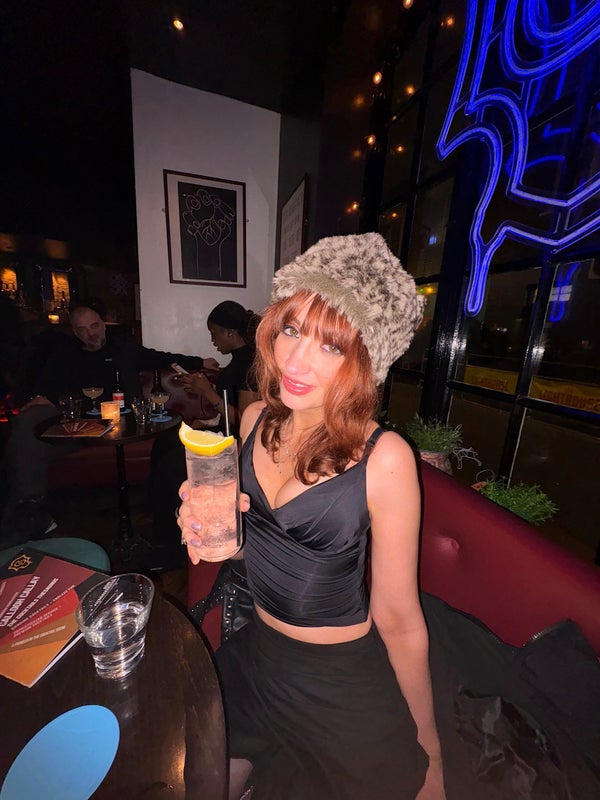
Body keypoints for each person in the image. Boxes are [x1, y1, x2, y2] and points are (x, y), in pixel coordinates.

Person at [178, 233, 446, 799]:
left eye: (331, 346)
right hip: (258, 655)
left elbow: (399, 620)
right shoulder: (253, 419)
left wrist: (431, 752)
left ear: (365, 361)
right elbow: (255, 549)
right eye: (293, 330)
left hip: (336, 680)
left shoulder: (385, 459)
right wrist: (209, 527)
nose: (295, 361)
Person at [0, 304, 218, 545]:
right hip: (79, 428)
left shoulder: (124, 350)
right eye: (83, 329)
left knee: (27, 446)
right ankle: (28, 508)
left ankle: (26, 512)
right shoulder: (66, 356)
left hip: (122, 426)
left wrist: (201, 361)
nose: (91, 333)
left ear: (103, 325)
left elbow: (162, 357)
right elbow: (48, 386)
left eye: (94, 326)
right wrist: (43, 398)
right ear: (75, 332)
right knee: (26, 426)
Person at [146, 301, 259, 571]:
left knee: (171, 465)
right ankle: (159, 531)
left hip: (236, 442)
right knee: (163, 443)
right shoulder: (239, 359)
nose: (212, 341)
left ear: (230, 332)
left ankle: (169, 550)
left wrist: (207, 392)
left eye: (214, 333)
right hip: (223, 431)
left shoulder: (250, 364)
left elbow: (246, 421)